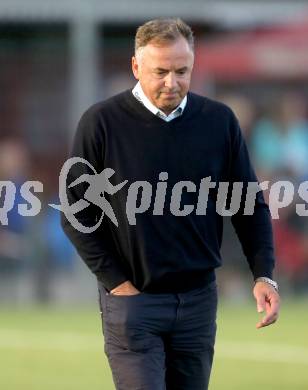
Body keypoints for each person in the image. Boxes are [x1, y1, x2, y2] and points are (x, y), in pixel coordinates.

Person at [61, 18, 281, 390]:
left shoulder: (218, 121)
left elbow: (248, 204)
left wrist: (263, 273)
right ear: (136, 67)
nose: (171, 82)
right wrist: (117, 284)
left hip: (198, 302)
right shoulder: (101, 122)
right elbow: (75, 213)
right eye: (160, 71)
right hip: (134, 301)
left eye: (182, 71)